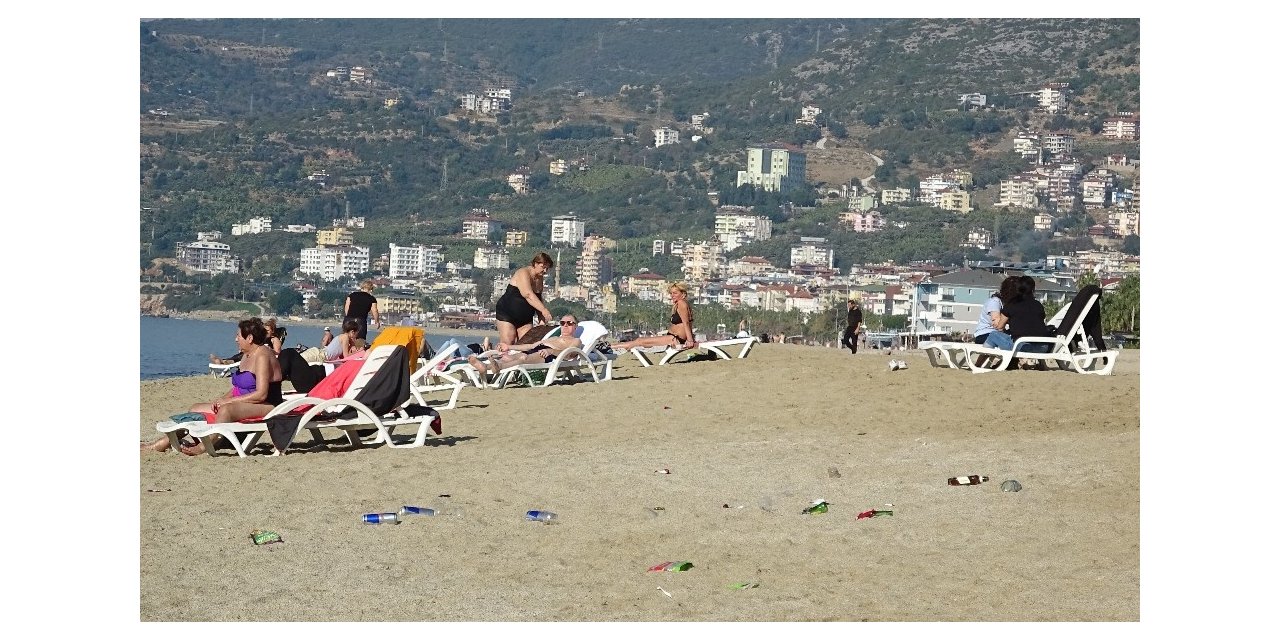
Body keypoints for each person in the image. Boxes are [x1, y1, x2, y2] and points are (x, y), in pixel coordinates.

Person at [143, 317, 284, 455]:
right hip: (247, 401)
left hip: (268, 404)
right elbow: (238, 388)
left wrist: (227, 402)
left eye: (238, 336)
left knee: (226, 410)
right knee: (195, 408)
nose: (236, 339)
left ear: (250, 338)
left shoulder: (262, 356)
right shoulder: (246, 355)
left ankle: (204, 447)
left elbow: (261, 394)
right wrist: (221, 399)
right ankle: (163, 443)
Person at [467, 314, 584, 377]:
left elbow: (570, 355)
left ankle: (498, 368)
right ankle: (485, 367)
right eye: (563, 323)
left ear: (575, 326)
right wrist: (509, 347)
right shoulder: (553, 338)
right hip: (537, 350)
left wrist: (551, 351)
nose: (565, 325)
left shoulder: (576, 341)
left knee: (523, 358)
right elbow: (530, 346)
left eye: (569, 323)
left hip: (549, 355)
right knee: (507, 357)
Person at [610, 283, 698, 352]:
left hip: (675, 339)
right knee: (639, 341)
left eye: (675, 293)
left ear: (683, 294)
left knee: (639, 342)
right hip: (673, 338)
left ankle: (610, 347)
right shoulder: (681, 304)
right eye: (671, 293)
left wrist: (690, 341)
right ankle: (611, 346)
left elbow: (686, 323)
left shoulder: (682, 303)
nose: (672, 295)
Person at [494, 252, 555, 346]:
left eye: (547, 268)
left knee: (526, 344)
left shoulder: (540, 279)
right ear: (535, 264)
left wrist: (541, 318)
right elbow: (527, 294)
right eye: (543, 267)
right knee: (508, 342)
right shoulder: (523, 272)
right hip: (507, 314)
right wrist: (544, 310)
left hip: (525, 318)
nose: (545, 271)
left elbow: (538, 298)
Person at [1002, 276, 1055, 356]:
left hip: (1022, 346)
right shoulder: (1038, 305)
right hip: (1043, 347)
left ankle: (980, 364)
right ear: (1033, 289)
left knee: (993, 335)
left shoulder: (1012, 304)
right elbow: (1040, 320)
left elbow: (999, 326)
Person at [973, 276, 1020, 351]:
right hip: (985, 334)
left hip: (998, 334)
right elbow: (997, 324)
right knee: (1012, 343)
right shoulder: (995, 302)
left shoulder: (1008, 304)